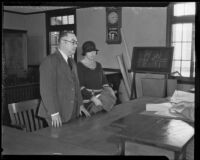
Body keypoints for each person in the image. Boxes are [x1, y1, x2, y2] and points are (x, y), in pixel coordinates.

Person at [38, 31, 90, 128]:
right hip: (56, 112)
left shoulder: (72, 62)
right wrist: (54, 113)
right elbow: (46, 90)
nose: (75, 45)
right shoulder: (49, 61)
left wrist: (80, 104)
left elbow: (76, 86)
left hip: (72, 112)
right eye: (73, 42)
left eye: (76, 43)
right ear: (62, 42)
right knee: (58, 141)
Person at [77, 41, 116, 115]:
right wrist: (93, 98)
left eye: (94, 51)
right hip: (88, 101)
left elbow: (104, 83)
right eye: (89, 51)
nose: (92, 54)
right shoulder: (79, 66)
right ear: (84, 52)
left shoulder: (98, 65)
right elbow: (80, 87)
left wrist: (111, 92)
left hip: (102, 98)